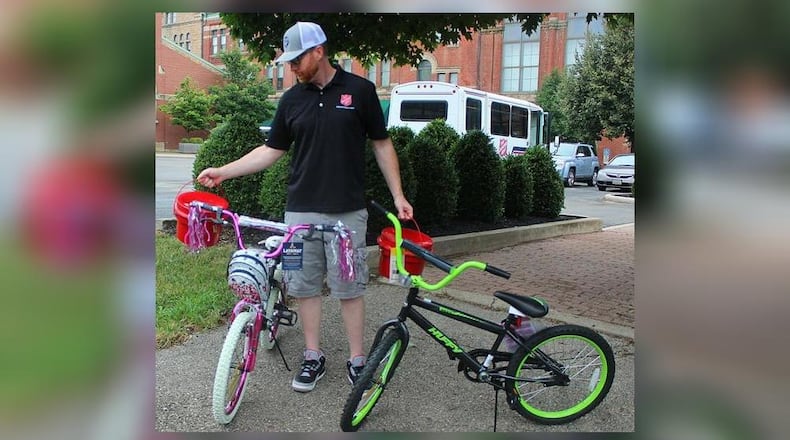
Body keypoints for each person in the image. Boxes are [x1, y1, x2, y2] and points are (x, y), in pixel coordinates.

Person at [197, 21, 413, 392]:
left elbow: (381, 144)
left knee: (350, 286)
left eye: (297, 60)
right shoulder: (291, 100)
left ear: (319, 51)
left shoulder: (360, 91)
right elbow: (271, 150)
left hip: (347, 212)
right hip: (299, 213)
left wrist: (398, 195)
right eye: (288, 61)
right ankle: (313, 356)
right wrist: (224, 172)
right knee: (303, 285)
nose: (291, 67)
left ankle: (358, 360)